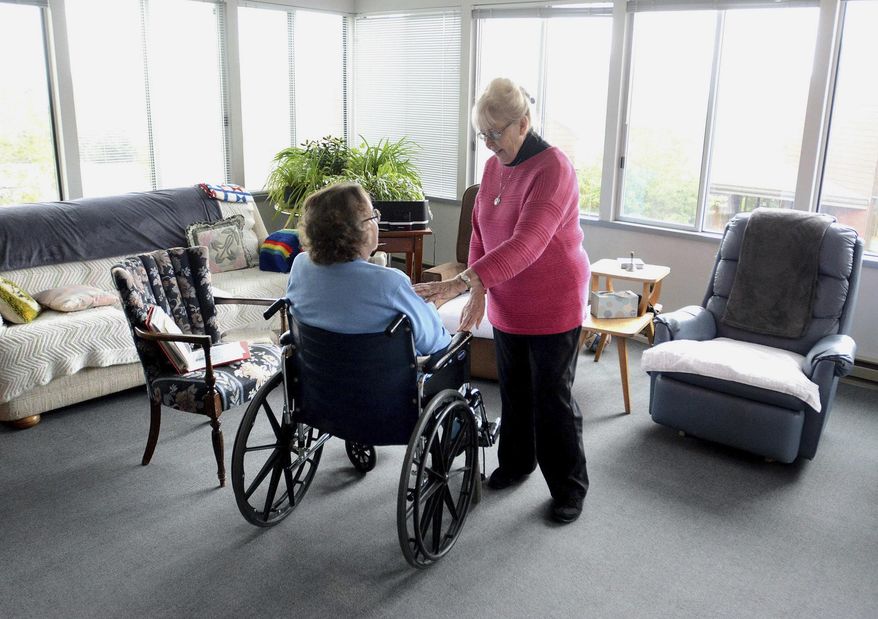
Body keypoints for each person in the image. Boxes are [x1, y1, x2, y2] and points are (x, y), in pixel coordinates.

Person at [414, 77, 590, 524]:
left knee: (552, 398)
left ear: (524, 123)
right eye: (483, 135)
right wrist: (478, 287)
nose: (490, 144)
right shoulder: (495, 167)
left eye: (496, 133)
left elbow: (527, 243)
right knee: (513, 392)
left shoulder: (554, 169)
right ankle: (516, 463)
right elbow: (480, 233)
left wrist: (459, 285)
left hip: (553, 301)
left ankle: (569, 488)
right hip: (510, 300)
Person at [286, 182, 450, 357]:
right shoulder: (390, 283)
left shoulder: (300, 265)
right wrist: (428, 308)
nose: (376, 221)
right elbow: (434, 343)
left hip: (316, 380)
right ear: (362, 228)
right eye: (374, 215)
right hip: (382, 382)